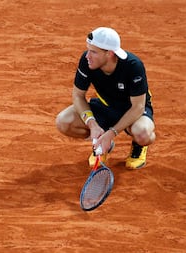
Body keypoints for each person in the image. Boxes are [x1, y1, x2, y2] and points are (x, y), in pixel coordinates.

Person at [56, 27, 156, 169]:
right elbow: (78, 96)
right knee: (63, 121)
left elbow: (138, 107)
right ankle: (102, 143)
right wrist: (92, 124)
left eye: (93, 52)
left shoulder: (133, 66)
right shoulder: (87, 62)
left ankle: (138, 145)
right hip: (105, 107)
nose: (87, 56)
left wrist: (112, 133)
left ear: (109, 53)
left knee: (143, 134)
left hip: (134, 112)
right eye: (88, 49)